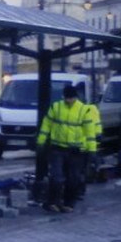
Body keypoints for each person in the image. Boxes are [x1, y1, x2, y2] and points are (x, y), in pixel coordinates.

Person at [36, 84, 90, 213]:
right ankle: (52, 202)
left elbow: (89, 131)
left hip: (76, 150)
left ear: (75, 97)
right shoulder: (56, 107)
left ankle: (68, 203)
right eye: (66, 97)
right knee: (56, 177)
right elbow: (46, 125)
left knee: (73, 179)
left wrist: (90, 149)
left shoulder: (83, 110)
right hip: (57, 148)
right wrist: (41, 142)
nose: (68, 100)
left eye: (71, 98)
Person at [77, 98, 101, 200]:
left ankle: (78, 191)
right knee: (82, 170)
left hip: (78, 146)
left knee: (77, 170)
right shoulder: (92, 109)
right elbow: (97, 130)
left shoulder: (78, 112)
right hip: (87, 146)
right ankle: (80, 191)